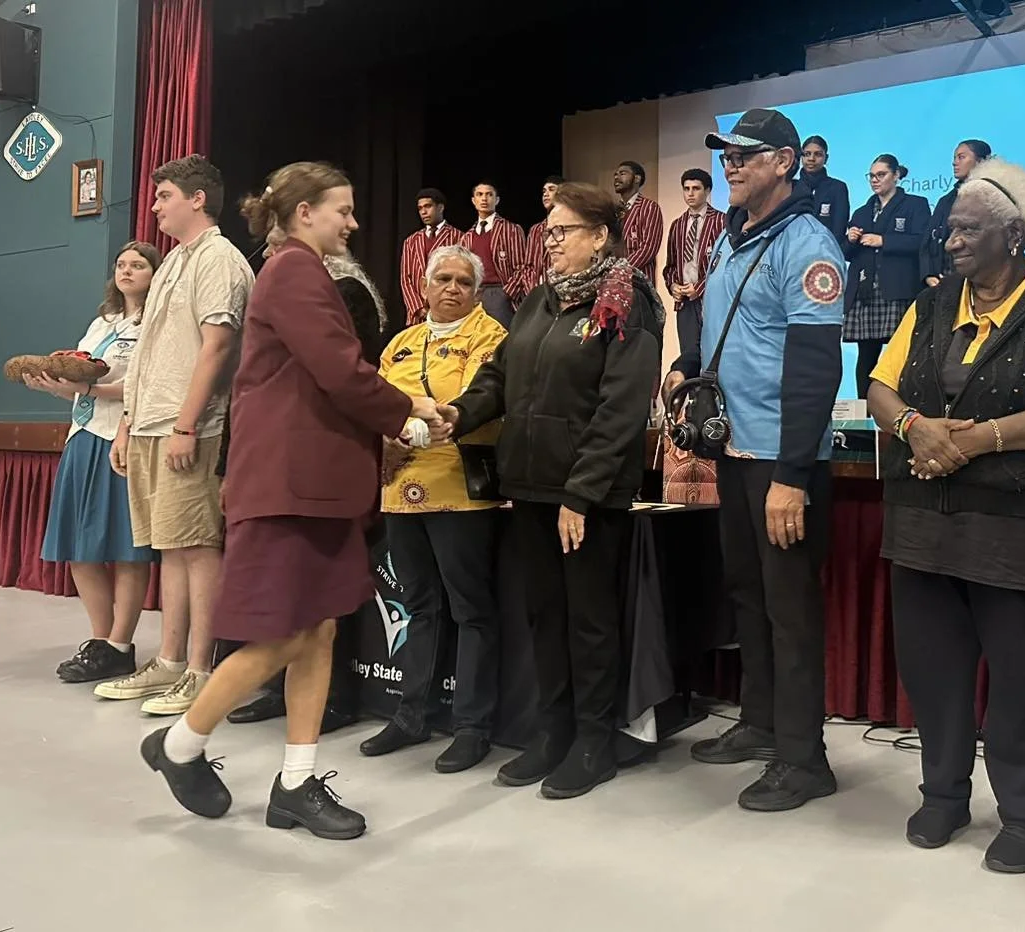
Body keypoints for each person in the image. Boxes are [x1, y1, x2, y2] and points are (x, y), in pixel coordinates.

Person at [140, 161, 440, 839]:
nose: (354, 222)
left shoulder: (298, 271)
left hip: (316, 488)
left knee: (320, 628)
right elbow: (340, 368)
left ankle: (297, 784)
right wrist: (409, 411)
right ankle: (180, 744)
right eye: (344, 208)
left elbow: (330, 375)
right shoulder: (296, 271)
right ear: (304, 212)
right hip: (289, 488)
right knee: (282, 635)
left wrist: (405, 416)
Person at [868, 158, 1025, 873]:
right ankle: (944, 797)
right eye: (950, 228)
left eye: (968, 229)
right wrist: (917, 427)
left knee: (1019, 680)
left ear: (1014, 235)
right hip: (922, 519)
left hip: (1015, 525)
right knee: (933, 671)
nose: (951, 241)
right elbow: (882, 385)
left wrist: (977, 439)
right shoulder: (932, 301)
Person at [437, 181, 663, 800]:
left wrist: (580, 494)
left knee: (589, 623)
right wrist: (460, 413)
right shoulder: (540, 299)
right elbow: (500, 374)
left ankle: (594, 740)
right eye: (548, 231)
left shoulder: (626, 302)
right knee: (545, 616)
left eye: (563, 231)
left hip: (585, 498)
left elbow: (620, 408)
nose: (550, 241)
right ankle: (553, 730)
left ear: (599, 236)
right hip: (530, 487)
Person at [663, 107, 845, 812]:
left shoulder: (810, 245)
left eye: (745, 154)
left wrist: (794, 477)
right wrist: (685, 363)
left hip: (779, 460)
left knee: (791, 609)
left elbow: (813, 370)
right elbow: (712, 320)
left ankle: (806, 760)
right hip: (733, 452)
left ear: (784, 162)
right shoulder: (730, 240)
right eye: (725, 155)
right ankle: (763, 723)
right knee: (748, 596)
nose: (729, 165)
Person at [101, 155, 254, 716]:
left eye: (164, 195)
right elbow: (150, 352)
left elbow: (217, 347)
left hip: (188, 425)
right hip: (149, 423)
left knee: (196, 546)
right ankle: (168, 661)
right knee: (170, 547)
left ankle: (200, 669)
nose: (155, 204)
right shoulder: (170, 264)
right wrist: (125, 423)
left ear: (197, 199)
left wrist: (188, 424)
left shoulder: (218, 259)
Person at [222, 229, 388, 732]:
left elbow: (350, 376)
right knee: (287, 607)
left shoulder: (345, 290)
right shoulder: (281, 283)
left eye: (278, 241)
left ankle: (331, 701)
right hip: (279, 459)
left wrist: (404, 413)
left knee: (320, 610)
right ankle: (272, 700)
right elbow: (254, 385)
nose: (273, 252)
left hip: (322, 461)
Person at [358, 245, 508, 774]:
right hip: (399, 487)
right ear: (422, 287)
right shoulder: (400, 343)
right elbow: (370, 400)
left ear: (476, 291)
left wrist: (421, 424)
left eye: (463, 282)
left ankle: (473, 726)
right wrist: (384, 438)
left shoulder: (490, 337)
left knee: (471, 609)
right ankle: (411, 713)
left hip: (460, 490)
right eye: (441, 279)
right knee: (419, 606)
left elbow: (480, 399)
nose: (451, 289)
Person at [34, 242, 162, 683]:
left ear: (155, 273)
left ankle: (121, 643)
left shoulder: (155, 324)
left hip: (122, 439)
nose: (127, 271)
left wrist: (86, 392)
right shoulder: (102, 322)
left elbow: (144, 386)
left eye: (139, 265)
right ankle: (100, 639)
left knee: (126, 547)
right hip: (84, 437)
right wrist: (55, 384)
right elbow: (82, 377)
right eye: (122, 265)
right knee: (78, 547)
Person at [844, 154, 931, 398]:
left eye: (880, 175)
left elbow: (922, 243)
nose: (874, 180)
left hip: (896, 288)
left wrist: (885, 241)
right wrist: (849, 240)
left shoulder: (916, 204)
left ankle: (901, 410)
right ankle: (864, 412)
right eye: (871, 176)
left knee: (901, 353)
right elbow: (847, 253)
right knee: (866, 355)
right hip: (865, 290)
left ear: (896, 175)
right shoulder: (862, 212)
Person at [662, 168, 726, 363]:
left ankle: (710, 393)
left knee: (713, 350)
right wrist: (673, 286)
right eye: (686, 188)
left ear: (707, 191)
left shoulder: (722, 221)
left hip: (712, 297)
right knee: (689, 353)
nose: (690, 193)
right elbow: (671, 265)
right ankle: (692, 392)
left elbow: (724, 265)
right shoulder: (678, 224)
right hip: (685, 301)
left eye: (696, 188)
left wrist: (699, 288)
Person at [921, 140, 992, 288]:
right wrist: (929, 275)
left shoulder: (993, 197)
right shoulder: (945, 201)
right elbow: (927, 242)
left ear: (980, 161)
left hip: (983, 282)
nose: (954, 163)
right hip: (945, 282)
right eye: (954, 158)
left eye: (961, 157)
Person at [456, 181, 526, 328]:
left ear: (497, 200)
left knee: (500, 338)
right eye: (479, 195)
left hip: (499, 291)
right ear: (473, 201)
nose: (484, 199)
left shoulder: (510, 230)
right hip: (475, 293)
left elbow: (522, 266)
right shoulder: (466, 237)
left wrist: (507, 293)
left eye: (489, 194)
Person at [399, 187, 462, 326]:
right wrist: (418, 307)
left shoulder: (458, 238)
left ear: (440, 207)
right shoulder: (411, 241)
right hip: (418, 314)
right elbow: (406, 279)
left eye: (428, 206)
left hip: (446, 311)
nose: (423, 212)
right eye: (420, 208)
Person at [508, 175, 563, 304]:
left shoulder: (570, 226)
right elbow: (528, 265)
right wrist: (531, 288)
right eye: (544, 191)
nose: (546, 194)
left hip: (561, 291)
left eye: (551, 189)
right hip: (537, 293)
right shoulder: (536, 229)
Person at [612, 160, 664, 282]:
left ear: (637, 179)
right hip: (613, 282)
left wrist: (621, 270)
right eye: (615, 174)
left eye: (622, 173)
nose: (616, 178)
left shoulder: (649, 207)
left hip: (638, 281)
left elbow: (649, 248)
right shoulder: (614, 210)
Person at [800, 135, 850, 239]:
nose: (811, 159)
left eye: (818, 154)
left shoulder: (838, 188)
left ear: (826, 158)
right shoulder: (791, 187)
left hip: (825, 251)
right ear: (801, 157)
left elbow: (839, 232)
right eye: (807, 154)